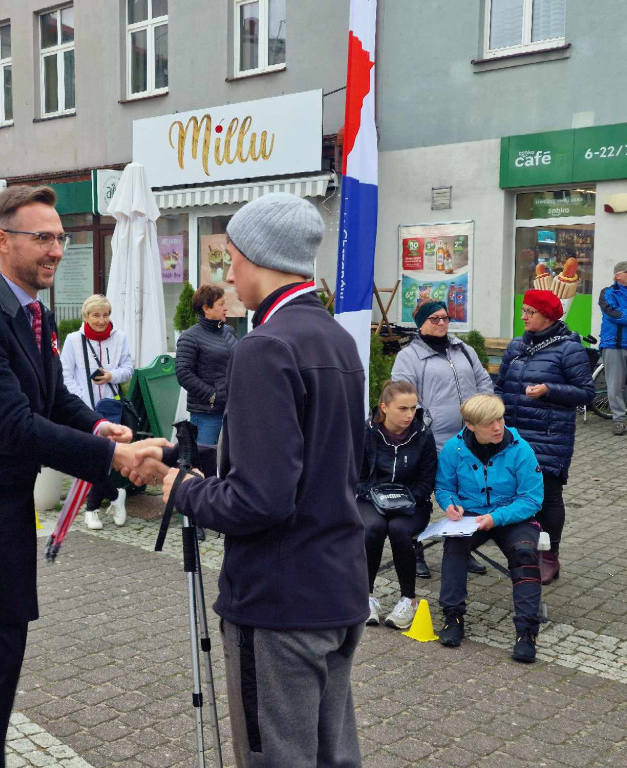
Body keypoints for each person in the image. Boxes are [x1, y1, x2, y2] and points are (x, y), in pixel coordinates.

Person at [0, 186, 165, 768]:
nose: (56, 250)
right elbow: (13, 425)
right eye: (41, 237)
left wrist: (101, 428)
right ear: (2, 241)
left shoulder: (33, 310)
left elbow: (52, 398)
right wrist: (114, 462)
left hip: (2, 521)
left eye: (59, 237)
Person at [159, 192, 367, 768]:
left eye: (229, 257)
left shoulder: (264, 345)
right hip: (337, 585)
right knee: (333, 758)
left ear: (254, 256)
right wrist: (200, 456)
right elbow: (334, 460)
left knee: (277, 759)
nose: (227, 273)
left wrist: (180, 489)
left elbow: (260, 499)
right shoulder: (335, 337)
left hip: (279, 600)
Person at [434, 394, 544, 663]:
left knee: (524, 554)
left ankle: (526, 632)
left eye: (500, 419)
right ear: (470, 425)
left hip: (513, 516)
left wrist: (496, 517)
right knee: (455, 546)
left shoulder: (521, 449)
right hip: (470, 515)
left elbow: (532, 498)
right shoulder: (453, 449)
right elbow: (444, 487)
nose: (498, 427)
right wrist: (450, 505)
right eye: (489, 423)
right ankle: (453, 617)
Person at [495, 289, 594, 585]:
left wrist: (550, 390)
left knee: (548, 496)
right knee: (519, 494)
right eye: (523, 311)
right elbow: (500, 386)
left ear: (548, 316)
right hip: (513, 435)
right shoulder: (516, 346)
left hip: (549, 437)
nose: (523, 316)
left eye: (529, 312)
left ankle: (549, 554)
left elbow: (587, 394)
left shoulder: (568, 349)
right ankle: (524, 549)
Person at [391, 298, 494, 579]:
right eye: (434, 319)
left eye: (445, 318)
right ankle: (415, 549)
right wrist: (423, 428)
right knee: (421, 495)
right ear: (421, 323)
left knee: (465, 493)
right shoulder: (408, 357)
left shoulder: (464, 350)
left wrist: (484, 412)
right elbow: (404, 398)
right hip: (431, 439)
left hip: (470, 438)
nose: (441, 323)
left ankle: (462, 546)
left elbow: (483, 381)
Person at [358, 380, 437, 630]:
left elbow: (427, 480)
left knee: (399, 530)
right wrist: (377, 498)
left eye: (413, 408)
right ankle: (365, 596)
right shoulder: (366, 432)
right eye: (402, 408)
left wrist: (404, 500)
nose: (409, 414)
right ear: (384, 407)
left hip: (412, 501)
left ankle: (408, 599)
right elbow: (354, 477)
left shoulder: (423, 435)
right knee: (373, 528)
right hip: (372, 498)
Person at [60, 293, 135, 529]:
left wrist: (113, 375)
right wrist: (81, 402)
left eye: (105, 315)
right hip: (83, 411)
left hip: (110, 409)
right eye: (96, 315)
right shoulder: (73, 340)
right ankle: (112, 497)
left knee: (99, 458)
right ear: (86, 316)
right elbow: (65, 375)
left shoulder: (119, 337)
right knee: (91, 457)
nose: (102, 320)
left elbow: (129, 369)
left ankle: (92, 508)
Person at [174, 284, 238, 446]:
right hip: (207, 414)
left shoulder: (228, 331)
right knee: (205, 459)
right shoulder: (189, 337)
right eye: (221, 304)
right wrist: (213, 395)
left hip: (232, 409)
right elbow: (184, 373)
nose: (225, 308)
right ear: (206, 308)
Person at [597, 260, 627, 435]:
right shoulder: (607, 293)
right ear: (618, 275)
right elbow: (614, 315)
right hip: (613, 345)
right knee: (615, 386)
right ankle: (619, 420)